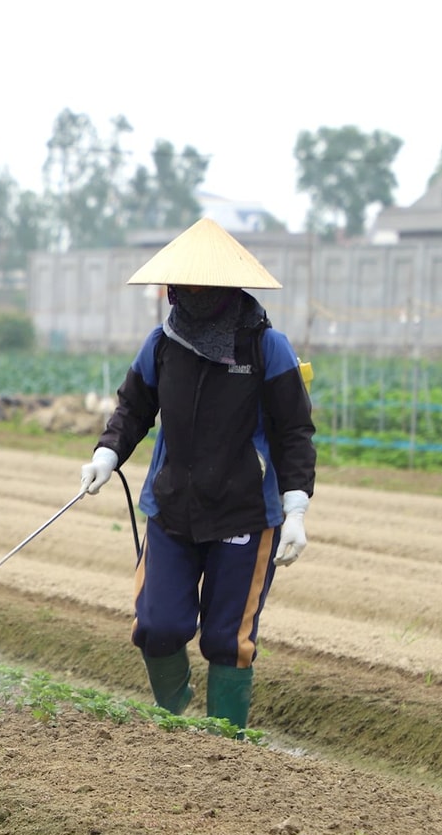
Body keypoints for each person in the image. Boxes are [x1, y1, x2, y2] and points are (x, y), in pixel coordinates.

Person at [78, 219, 316, 730]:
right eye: (180, 285)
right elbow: (133, 409)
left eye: (202, 285)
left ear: (228, 287)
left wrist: (296, 507)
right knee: (158, 627)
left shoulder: (266, 349)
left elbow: (294, 432)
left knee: (227, 642)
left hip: (245, 514)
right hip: (173, 509)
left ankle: (224, 752)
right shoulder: (161, 345)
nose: (189, 293)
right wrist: (106, 455)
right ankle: (174, 723)